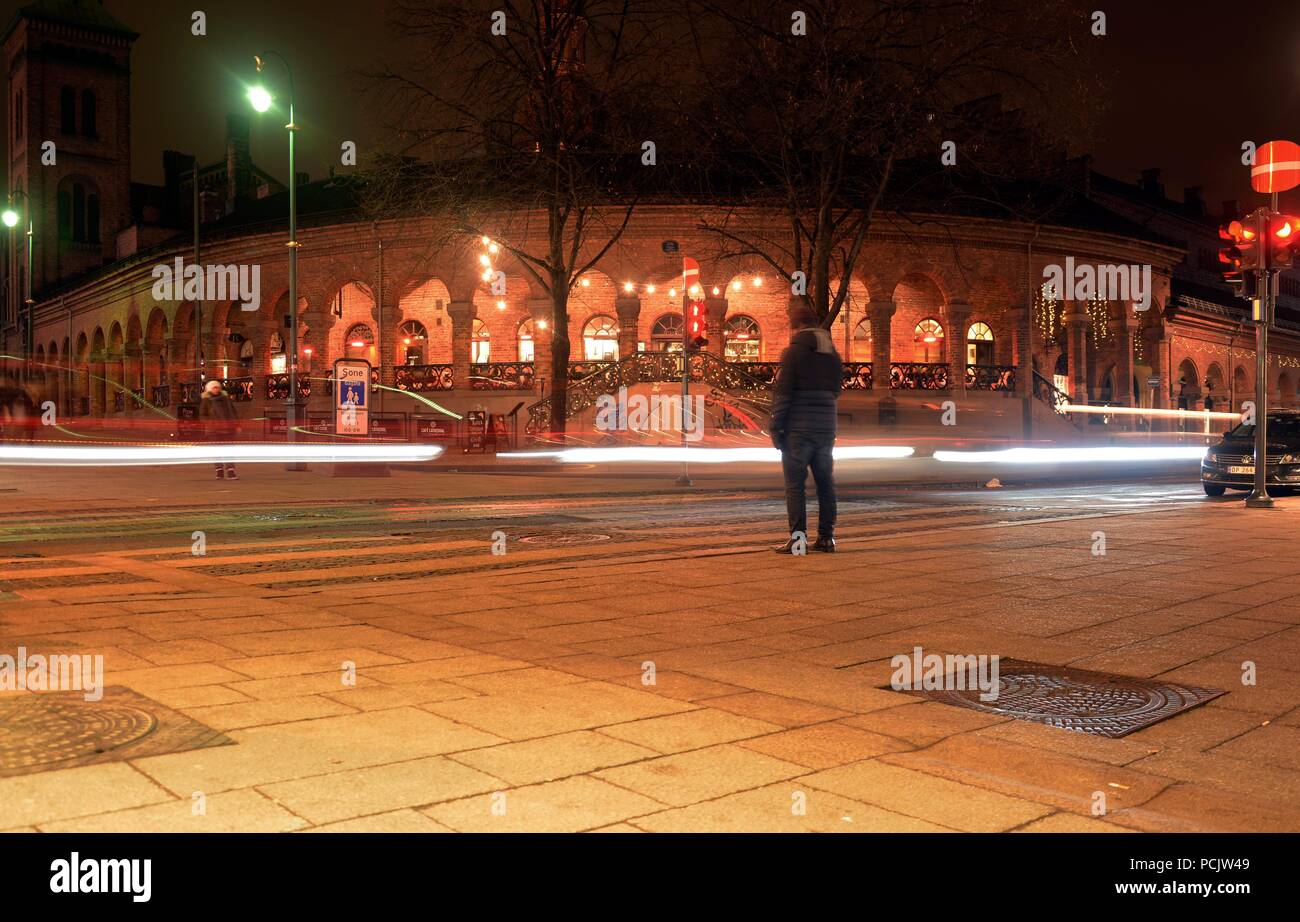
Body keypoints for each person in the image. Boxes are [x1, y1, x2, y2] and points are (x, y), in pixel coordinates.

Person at [770, 303, 842, 553]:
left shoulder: (794, 352)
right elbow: (837, 389)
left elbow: (784, 394)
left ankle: (798, 539)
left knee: (795, 486)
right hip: (826, 428)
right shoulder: (831, 352)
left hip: (798, 429)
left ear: (796, 325)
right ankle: (827, 538)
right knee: (825, 483)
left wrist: (776, 427)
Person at [199, 379, 239, 480]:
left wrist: (236, 424)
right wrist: (210, 423)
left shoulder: (226, 399)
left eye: (217, 387)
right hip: (214, 430)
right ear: (209, 389)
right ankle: (219, 471)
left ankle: (231, 471)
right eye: (214, 387)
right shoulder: (206, 400)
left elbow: (233, 412)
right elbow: (203, 415)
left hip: (228, 429)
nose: (216, 389)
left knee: (229, 450)